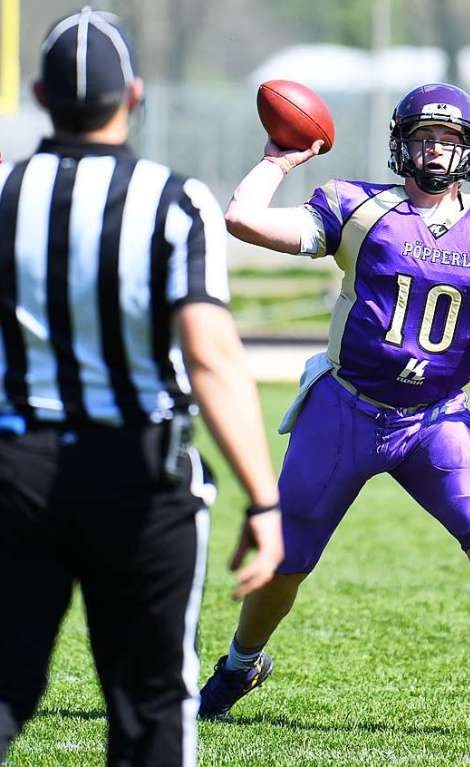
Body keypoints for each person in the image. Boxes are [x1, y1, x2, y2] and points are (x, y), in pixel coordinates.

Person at [197, 82, 470, 741]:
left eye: (448, 139)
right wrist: (277, 159)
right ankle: (241, 664)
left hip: (435, 419)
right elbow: (243, 220)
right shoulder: (356, 208)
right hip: (347, 407)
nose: (435, 150)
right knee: (289, 561)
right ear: (400, 143)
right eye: (423, 137)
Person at [0, 8, 284, 766]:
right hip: (140, 473)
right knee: (152, 705)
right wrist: (263, 497)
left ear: (38, 93)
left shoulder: (4, 192)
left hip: (16, 469)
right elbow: (212, 357)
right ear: (135, 95)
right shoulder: (173, 199)